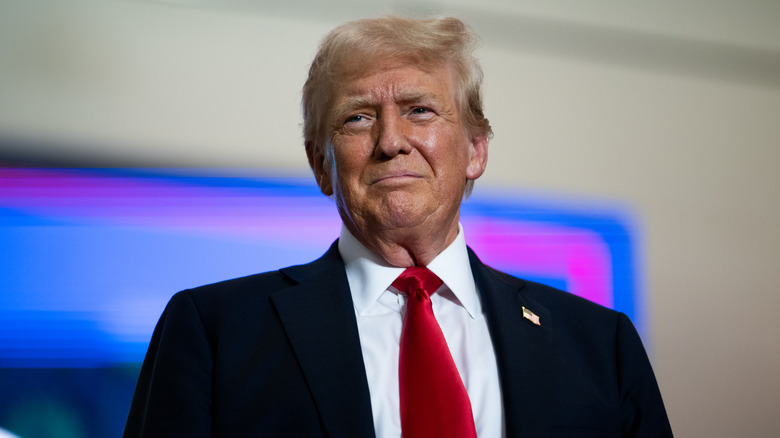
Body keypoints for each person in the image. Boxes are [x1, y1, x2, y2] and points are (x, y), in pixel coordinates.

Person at [123, 16, 673, 438]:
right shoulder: (214, 331)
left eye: (420, 111)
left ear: (476, 151)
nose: (391, 141)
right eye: (358, 117)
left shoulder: (601, 345)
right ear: (321, 165)